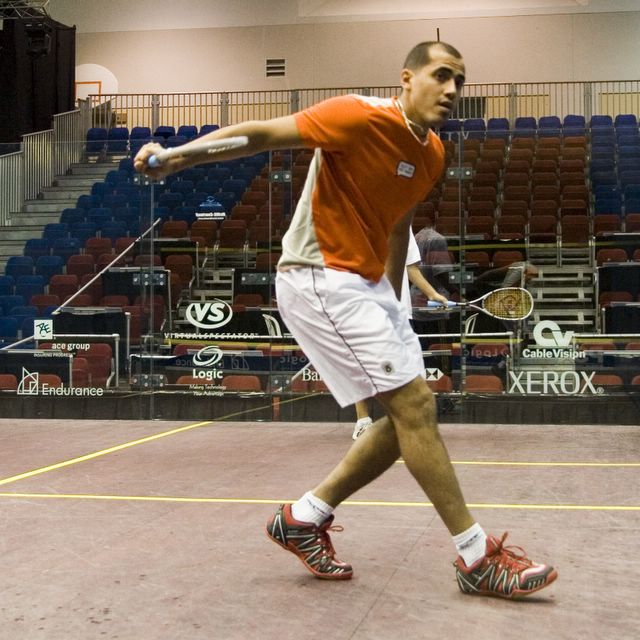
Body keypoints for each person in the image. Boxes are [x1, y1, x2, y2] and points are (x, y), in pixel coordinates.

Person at [135, 41, 557, 599]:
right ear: (407, 78)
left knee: (404, 420)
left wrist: (394, 299)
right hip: (319, 276)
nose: (453, 89)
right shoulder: (356, 115)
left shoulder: (431, 154)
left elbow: (397, 226)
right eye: (441, 75)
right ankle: (477, 557)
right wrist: (181, 155)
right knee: (415, 406)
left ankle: (303, 517)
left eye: (460, 80)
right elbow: (262, 134)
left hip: (369, 286)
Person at [352, 232, 448, 440]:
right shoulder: (357, 223)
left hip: (399, 312)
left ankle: (402, 419)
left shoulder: (403, 227)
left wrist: (431, 293)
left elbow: (411, 268)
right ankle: (362, 421)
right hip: (364, 307)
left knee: (407, 368)